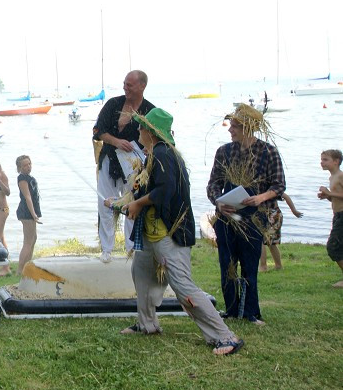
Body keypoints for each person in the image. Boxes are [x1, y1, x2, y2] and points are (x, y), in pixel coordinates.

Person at [123, 108, 245, 355]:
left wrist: (137, 203)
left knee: (183, 287)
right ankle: (147, 325)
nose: (138, 131)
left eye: (141, 127)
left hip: (170, 234)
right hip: (150, 233)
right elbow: (150, 188)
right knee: (142, 275)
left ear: (151, 131)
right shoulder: (154, 154)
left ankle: (225, 336)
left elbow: (164, 192)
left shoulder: (164, 154)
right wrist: (125, 201)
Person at [207, 104, 286, 325]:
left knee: (250, 265)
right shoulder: (224, 151)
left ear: (248, 128)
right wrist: (219, 203)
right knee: (227, 264)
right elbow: (213, 184)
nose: (230, 130)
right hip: (226, 216)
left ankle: (251, 312)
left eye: (234, 126)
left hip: (254, 216)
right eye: (231, 125)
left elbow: (279, 185)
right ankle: (232, 310)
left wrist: (261, 197)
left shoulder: (268, 151)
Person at [92, 70, 154, 262]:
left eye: (130, 85)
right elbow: (97, 130)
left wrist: (148, 151)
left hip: (133, 164)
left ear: (142, 86)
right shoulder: (113, 104)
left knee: (132, 203)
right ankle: (106, 249)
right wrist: (116, 141)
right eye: (124, 84)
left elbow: (157, 139)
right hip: (109, 158)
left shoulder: (149, 110)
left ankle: (131, 248)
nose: (125, 88)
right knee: (105, 203)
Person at [259, 192, 303, 271]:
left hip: (273, 214)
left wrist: (294, 211)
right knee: (266, 242)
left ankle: (269, 266)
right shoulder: (264, 187)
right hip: (265, 214)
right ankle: (269, 265)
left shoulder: (270, 188)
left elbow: (285, 196)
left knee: (268, 242)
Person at [318, 148, 343, 287]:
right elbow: (337, 198)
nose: (322, 162)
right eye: (321, 160)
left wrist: (329, 193)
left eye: (325, 160)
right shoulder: (332, 177)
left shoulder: (340, 176)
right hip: (337, 215)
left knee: (333, 247)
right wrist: (327, 196)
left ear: (336, 161)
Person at [15, 155, 41, 277]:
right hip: (26, 212)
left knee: (33, 238)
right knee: (28, 241)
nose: (28, 167)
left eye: (29, 164)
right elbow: (27, 197)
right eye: (25, 165)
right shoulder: (22, 179)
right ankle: (20, 270)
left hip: (31, 211)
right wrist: (34, 214)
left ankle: (27, 265)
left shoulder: (29, 177)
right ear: (19, 167)